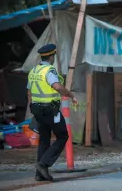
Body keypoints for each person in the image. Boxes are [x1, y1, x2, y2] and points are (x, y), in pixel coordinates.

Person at [27, 44, 78, 182]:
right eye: (54, 56)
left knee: (44, 139)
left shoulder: (34, 71)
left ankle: (39, 174)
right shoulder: (49, 71)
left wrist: (32, 106)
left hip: (37, 109)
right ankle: (43, 164)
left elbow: (29, 92)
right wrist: (71, 95)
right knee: (62, 136)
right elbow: (56, 86)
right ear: (51, 56)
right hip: (50, 109)